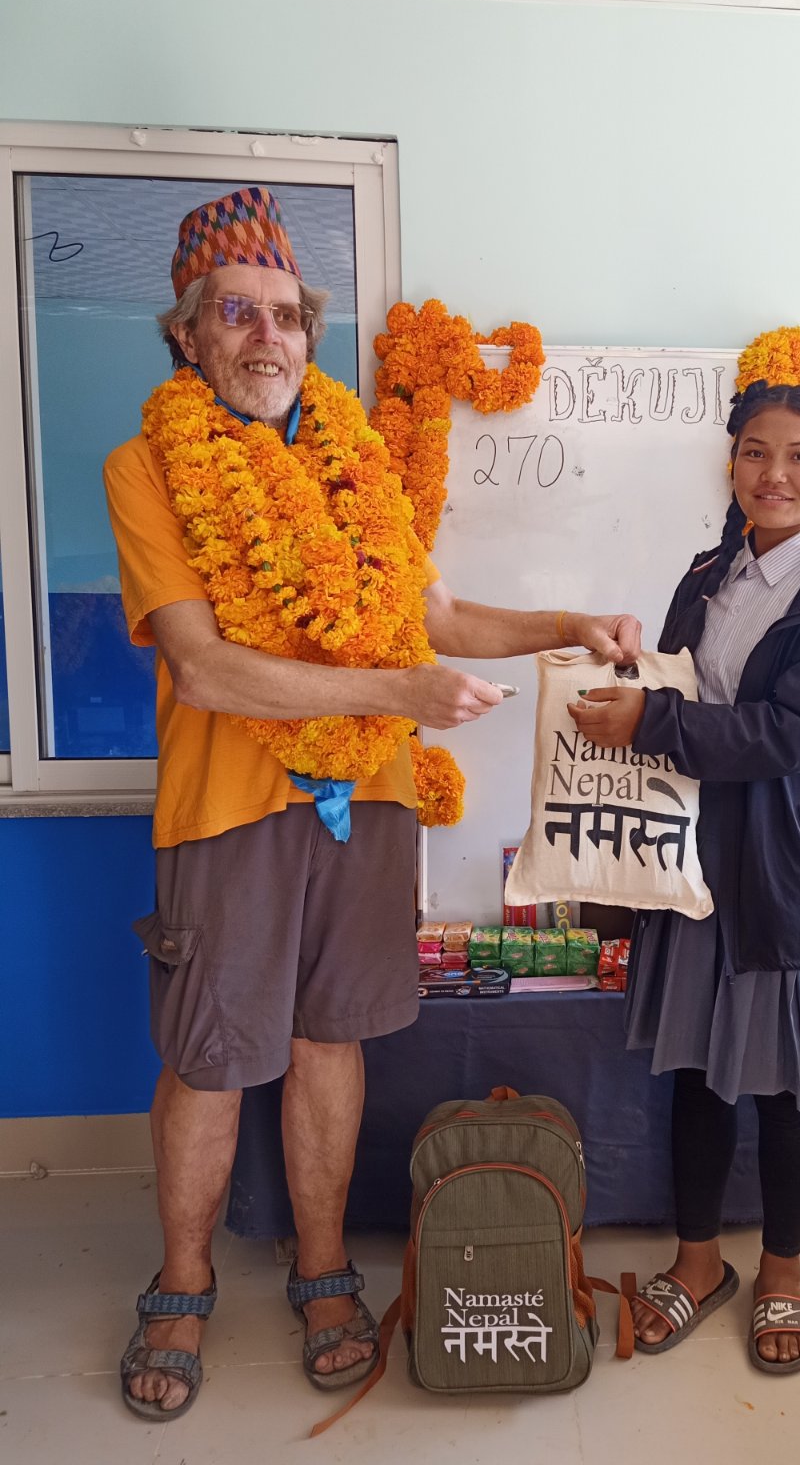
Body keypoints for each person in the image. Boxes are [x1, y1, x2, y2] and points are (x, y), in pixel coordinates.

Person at [103, 186, 640, 1421]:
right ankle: (181, 1283)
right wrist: (400, 688)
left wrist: (569, 623)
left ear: (310, 331)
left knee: (328, 1039)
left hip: (371, 800)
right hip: (232, 805)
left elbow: (435, 615)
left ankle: (323, 1269)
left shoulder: (357, 460)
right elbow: (206, 667)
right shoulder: (148, 467)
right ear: (187, 334)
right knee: (208, 1059)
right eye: (236, 313)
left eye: (287, 314)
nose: (267, 336)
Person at [566, 379, 800, 1375]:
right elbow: (686, 691)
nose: (775, 473)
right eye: (756, 452)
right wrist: (633, 673)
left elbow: (788, 734)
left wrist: (655, 720)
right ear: (733, 468)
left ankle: (783, 1271)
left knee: (789, 1093)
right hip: (693, 867)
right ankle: (697, 1263)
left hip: (786, 876)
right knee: (697, 1078)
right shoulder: (708, 574)